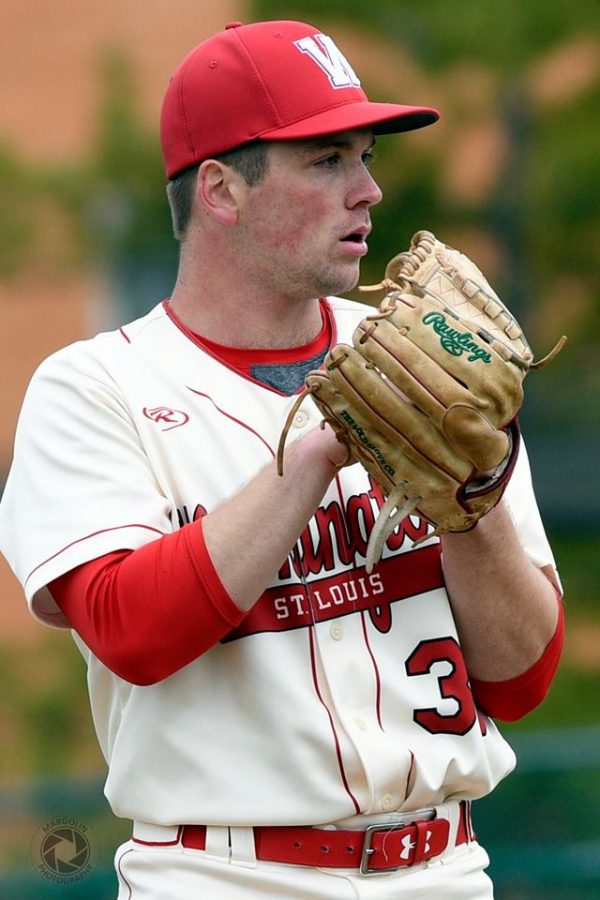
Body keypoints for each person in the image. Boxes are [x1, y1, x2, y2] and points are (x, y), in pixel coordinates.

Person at [0, 19, 563, 900]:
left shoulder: (431, 368)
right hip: (221, 873)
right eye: (327, 160)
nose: (369, 190)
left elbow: (523, 679)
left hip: (446, 867)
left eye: (364, 156)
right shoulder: (94, 387)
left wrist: (474, 494)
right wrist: (320, 453)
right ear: (221, 190)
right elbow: (127, 631)